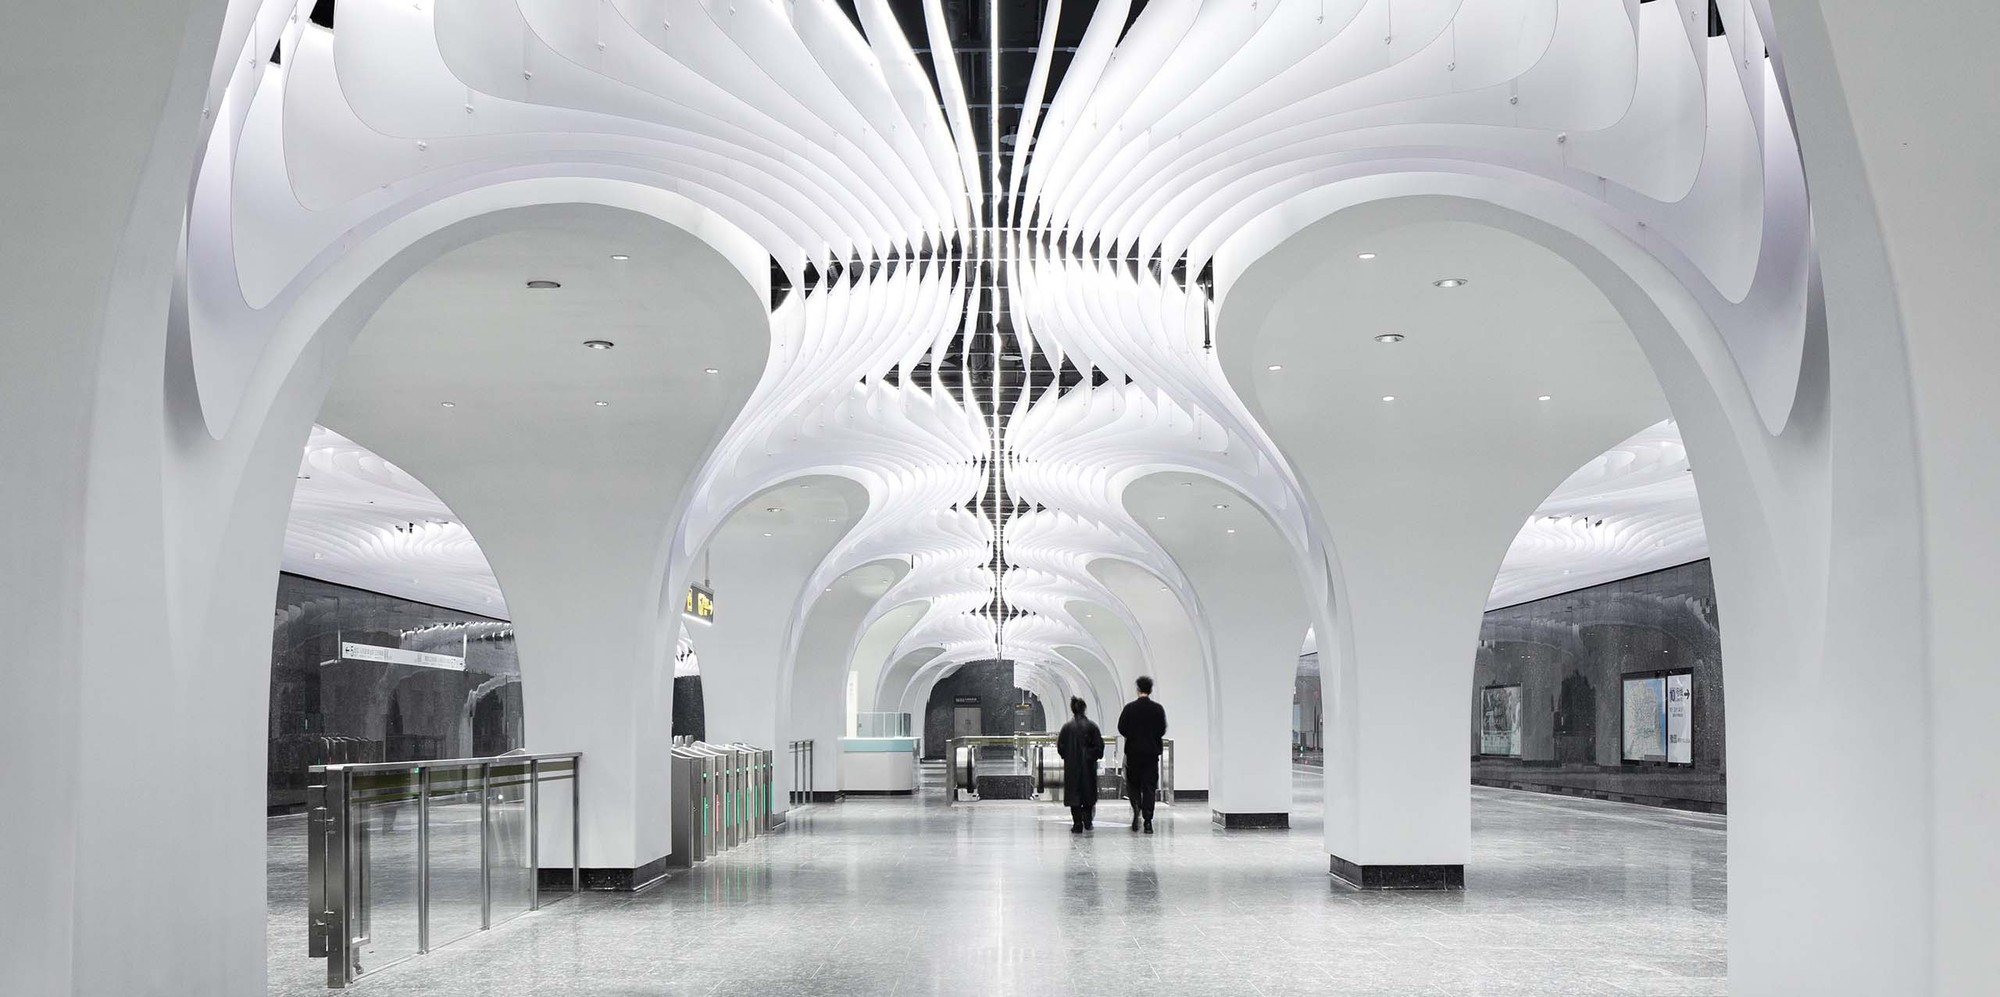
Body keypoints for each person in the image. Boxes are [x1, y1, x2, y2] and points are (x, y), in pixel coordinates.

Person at [1116, 675, 1168, 833]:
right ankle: (1148, 820)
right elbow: (1162, 729)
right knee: (1149, 787)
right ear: (1150, 690)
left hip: (1133, 753)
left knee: (1133, 784)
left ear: (1138, 690)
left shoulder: (1129, 709)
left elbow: (1121, 728)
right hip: (1151, 754)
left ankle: (1136, 806)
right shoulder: (1157, 709)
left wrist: (1133, 736)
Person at [1055, 696, 1104, 833]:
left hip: (1072, 767)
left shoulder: (1066, 728)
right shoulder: (1092, 727)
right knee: (1088, 794)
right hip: (1088, 767)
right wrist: (1092, 756)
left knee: (1074, 795)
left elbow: (1061, 747)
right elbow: (1099, 748)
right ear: (1085, 709)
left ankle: (1077, 823)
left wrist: (1068, 757)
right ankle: (1088, 820)